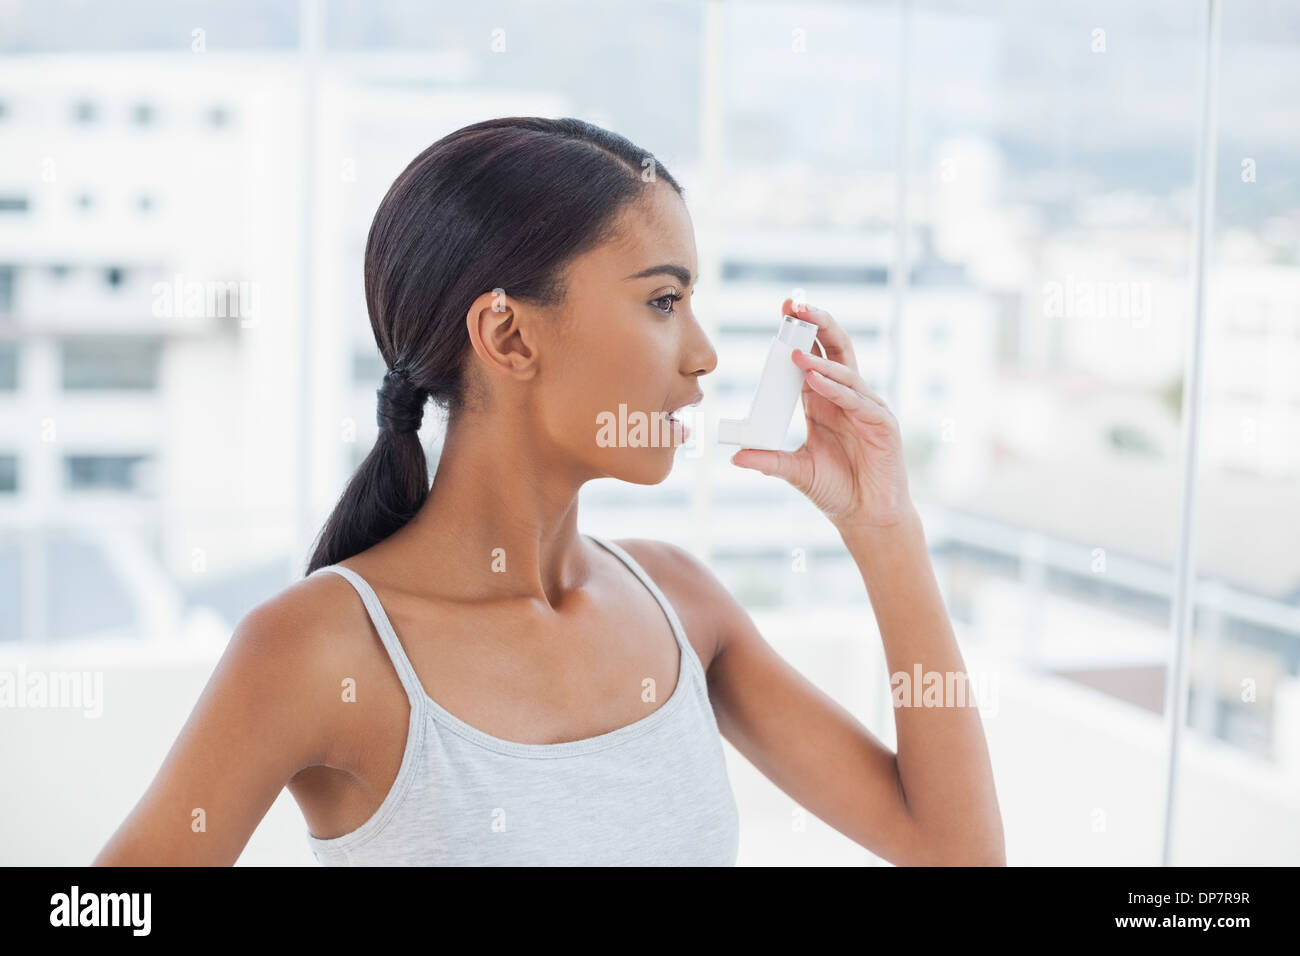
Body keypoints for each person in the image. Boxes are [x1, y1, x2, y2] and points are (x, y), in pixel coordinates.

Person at [93, 117, 1004, 866]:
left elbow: (955, 852)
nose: (704, 356)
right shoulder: (319, 649)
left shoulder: (681, 605)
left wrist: (882, 528)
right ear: (510, 336)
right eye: (661, 301)